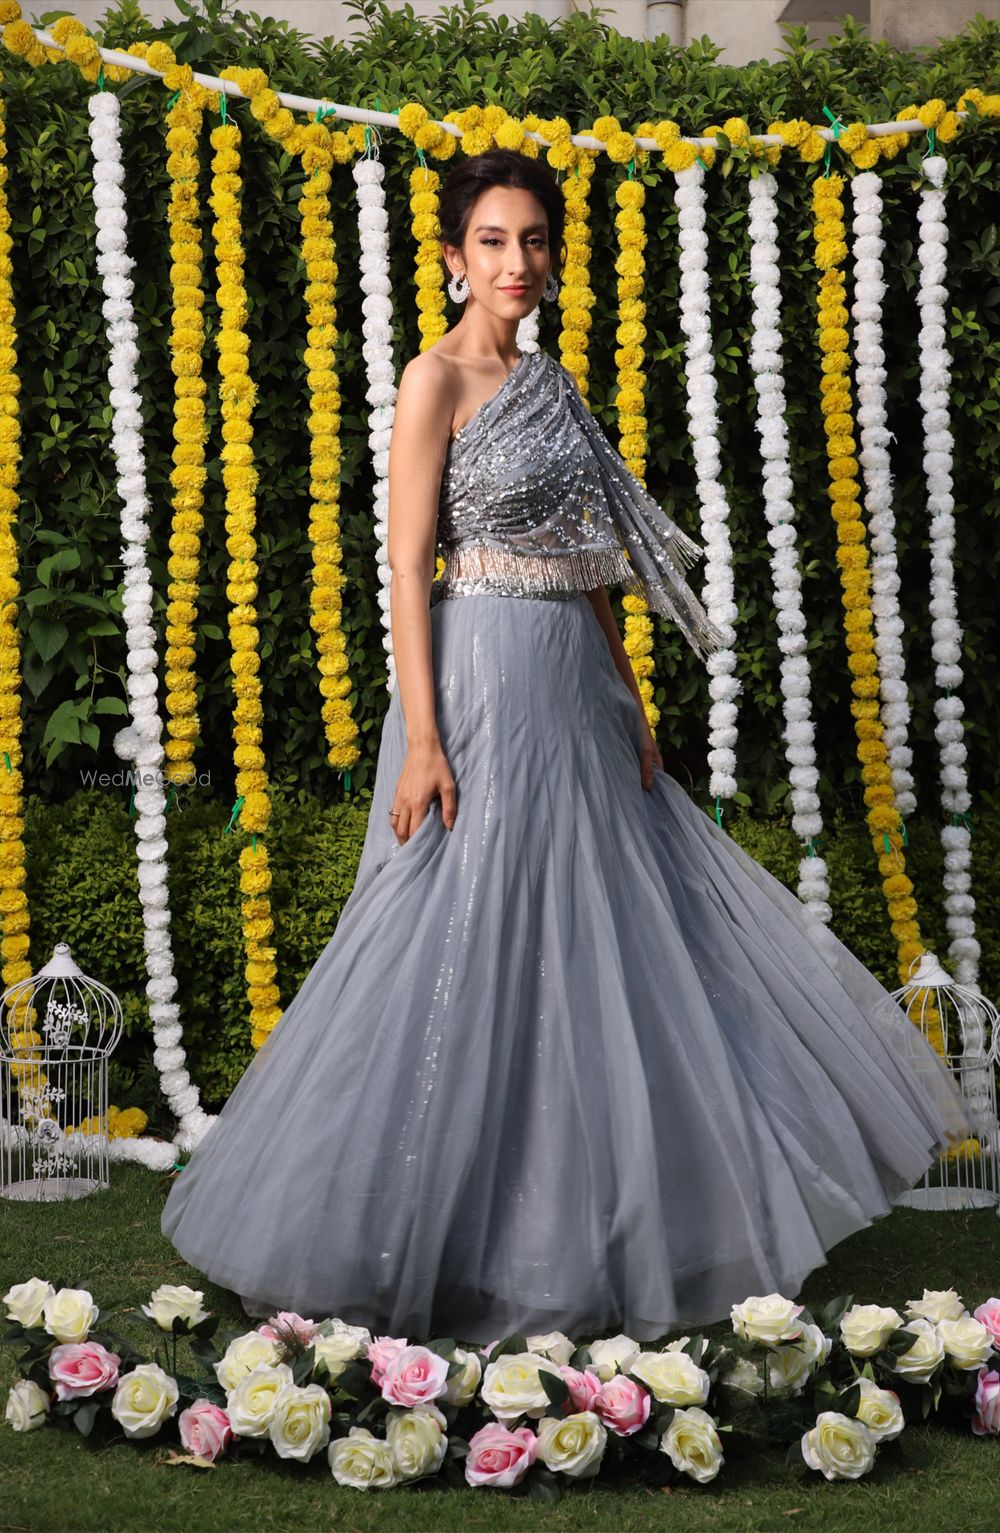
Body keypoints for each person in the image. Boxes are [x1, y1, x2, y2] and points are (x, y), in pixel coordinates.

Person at [160, 148, 970, 1345]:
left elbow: (593, 562)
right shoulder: (432, 380)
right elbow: (404, 567)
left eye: (534, 240)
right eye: (493, 240)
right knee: (458, 935)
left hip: (575, 689)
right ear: (451, 256)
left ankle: (604, 1233)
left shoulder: (550, 384)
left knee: (608, 941)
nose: (517, 261)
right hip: (478, 681)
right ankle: (400, 1236)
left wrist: (630, 693)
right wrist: (426, 740)